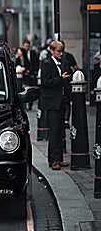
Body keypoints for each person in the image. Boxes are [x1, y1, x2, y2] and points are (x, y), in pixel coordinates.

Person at [40, 40, 71, 170]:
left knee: (60, 132)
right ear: (52, 51)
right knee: (53, 132)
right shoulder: (47, 64)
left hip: (60, 101)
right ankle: (53, 160)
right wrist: (60, 79)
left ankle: (59, 158)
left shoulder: (62, 63)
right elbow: (45, 82)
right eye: (59, 51)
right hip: (52, 102)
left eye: (62, 51)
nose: (61, 53)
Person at [60, 41, 79, 128]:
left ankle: (66, 119)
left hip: (67, 82)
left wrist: (74, 76)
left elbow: (76, 67)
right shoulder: (53, 58)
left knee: (67, 100)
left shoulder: (68, 56)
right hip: (59, 82)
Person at [20, 39, 38, 109]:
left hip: (31, 73)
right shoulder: (21, 52)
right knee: (24, 88)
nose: (26, 47)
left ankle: (30, 104)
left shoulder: (33, 53)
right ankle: (25, 103)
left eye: (28, 46)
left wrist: (31, 71)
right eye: (25, 46)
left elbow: (35, 62)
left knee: (31, 88)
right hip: (24, 73)